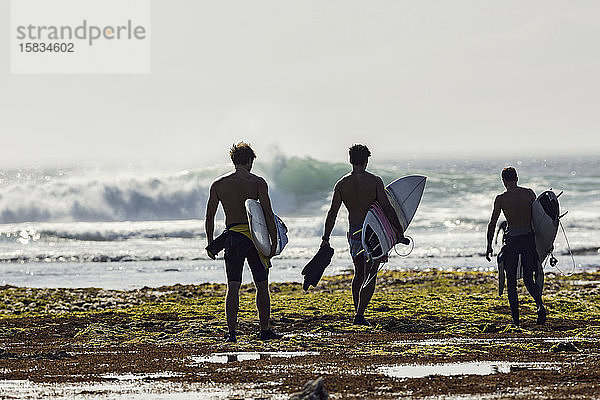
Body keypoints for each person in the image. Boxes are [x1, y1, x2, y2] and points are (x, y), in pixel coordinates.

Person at [321, 144, 408, 326]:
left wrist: (325, 238)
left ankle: (357, 312)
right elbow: (386, 207)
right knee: (372, 272)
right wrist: (398, 231)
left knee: (359, 272)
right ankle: (360, 314)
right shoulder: (375, 181)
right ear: (366, 160)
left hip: (355, 232)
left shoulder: (342, 184)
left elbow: (332, 213)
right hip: (373, 232)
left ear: (350, 160)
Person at [205, 142, 283, 342]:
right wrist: (273, 243)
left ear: (233, 160)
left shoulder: (219, 184)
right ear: (249, 161)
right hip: (255, 240)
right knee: (262, 285)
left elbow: (210, 217)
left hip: (232, 238)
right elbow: (266, 214)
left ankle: (231, 333)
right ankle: (264, 330)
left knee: (233, 286)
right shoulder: (257, 182)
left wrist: (210, 241)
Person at [486, 167, 546, 326]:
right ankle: (540, 306)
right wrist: (546, 242)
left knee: (511, 282)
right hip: (528, 239)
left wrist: (489, 246)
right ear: (517, 178)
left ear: (503, 181)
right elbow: (539, 220)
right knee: (528, 278)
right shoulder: (529, 194)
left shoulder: (501, 199)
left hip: (512, 241)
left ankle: (516, 321)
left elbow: (492, 225)